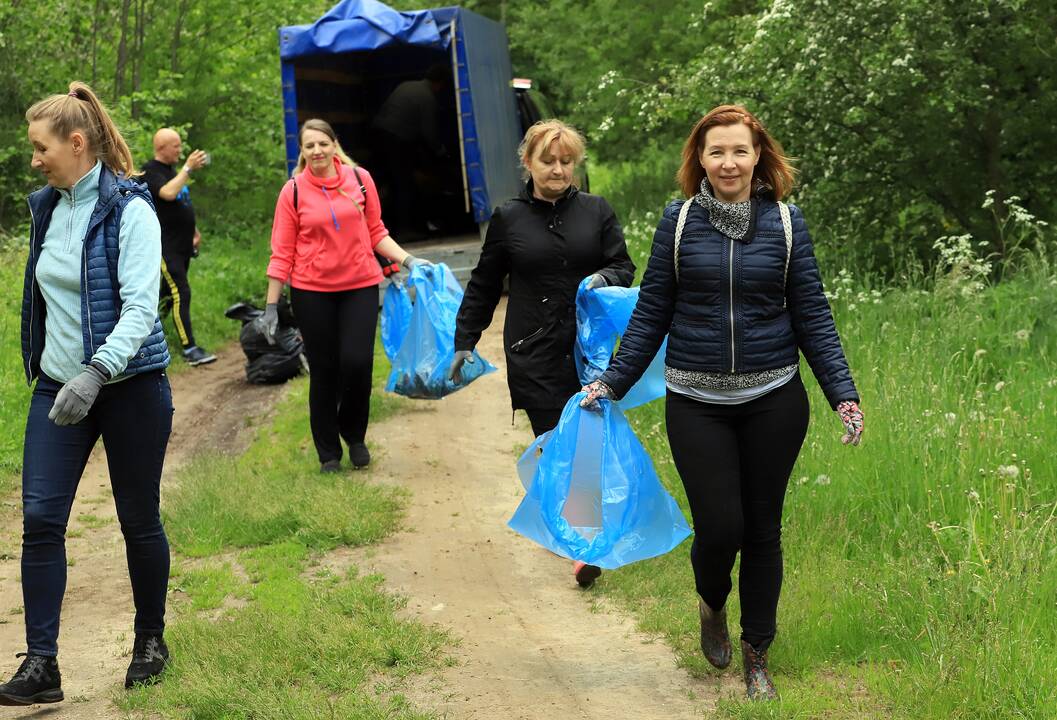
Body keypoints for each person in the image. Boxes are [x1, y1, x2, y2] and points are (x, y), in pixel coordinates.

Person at [581, 105, 863, 700]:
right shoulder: (677, 222)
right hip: (696, 398)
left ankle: (757, 654)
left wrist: (843, 394)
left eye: (739, 150)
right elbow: (652, 312)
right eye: (717, 152)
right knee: (719, 526)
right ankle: (711, 601)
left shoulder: (787, 224)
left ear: (758, 155)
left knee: (763, 529)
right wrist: (611, 382)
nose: (729, 162)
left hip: (774, 398)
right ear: (700, 160)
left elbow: (812, 315)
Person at [0, 82, 174, 706]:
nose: (34, 160)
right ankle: (41, 665)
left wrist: (96, 371)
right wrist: (56, 369)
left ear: (77, 144)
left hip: (127, 388)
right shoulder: (47, 207)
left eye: (40, 148)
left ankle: (150, 640)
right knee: (42, 519)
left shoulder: (132, 210)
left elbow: (140, 311)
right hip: (56, 387)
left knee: (136, 518)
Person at [450, 119, 635, 588]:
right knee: (555, 442)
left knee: (587, 442)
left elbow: (623, 265)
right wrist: (464, 341)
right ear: (528, 163)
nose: (557, 170)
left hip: (587, 352)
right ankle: (577, 541)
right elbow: (485, 283)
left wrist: (602, 279)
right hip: (531, 350)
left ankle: (583, 544)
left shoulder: (597, 211)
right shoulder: (509, 218)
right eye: (548, 161)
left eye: (566, 161)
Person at [262, 118, 431, 473]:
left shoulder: (360, 180)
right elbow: (281, 251)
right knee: (324, 370)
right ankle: (328, 453)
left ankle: (354, 434)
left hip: (360, 285)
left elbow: (376, 231)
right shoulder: (292, 191)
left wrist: (409, 260)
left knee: (357, 363)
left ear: (334, 145)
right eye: (309, 146)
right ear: (303, 152)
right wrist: (271, 306)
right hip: (311, 291)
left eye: (323, 143)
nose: (317, 151)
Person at [141, 128, 216, 366]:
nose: (180, 150)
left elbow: (181, 202)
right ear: (161, 147)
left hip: (183, 246)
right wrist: (188, 168)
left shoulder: (172, 171)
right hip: (166, 248)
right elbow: (167, 193)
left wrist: (193, 230)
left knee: (165, 296)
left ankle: (150, 340)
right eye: (176, 146)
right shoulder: (150, 171)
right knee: (181, 293)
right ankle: (189, 348)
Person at [372, 63, 452, 238]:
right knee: (404, 184)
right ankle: (404, 230)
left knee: (387, 184)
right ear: (440, 84)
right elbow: (429, 132)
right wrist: (440, 152)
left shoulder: (407, 85)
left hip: (378, 137)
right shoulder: (427, 97)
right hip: (396, 141)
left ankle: (385, 228)